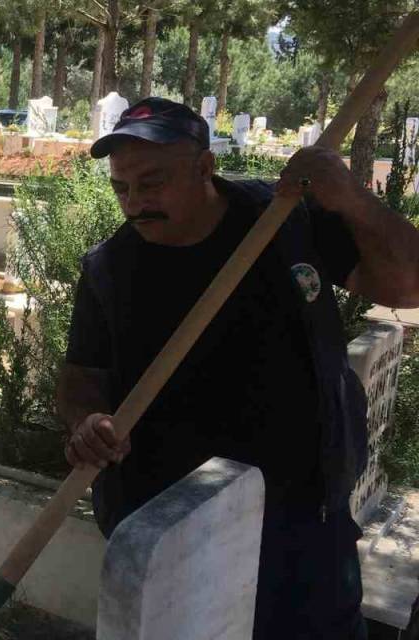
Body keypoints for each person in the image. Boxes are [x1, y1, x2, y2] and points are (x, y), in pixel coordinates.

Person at [59, 96, 419, 639]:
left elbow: (408, 286)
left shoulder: (283, 221)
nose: (134, 203)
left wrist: (352, 200)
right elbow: (82, 376)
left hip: (305, 519)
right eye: (121, 187)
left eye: (151, 183)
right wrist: (86, 421)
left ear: (204, 167)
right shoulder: (110, 269)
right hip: (180, 532)